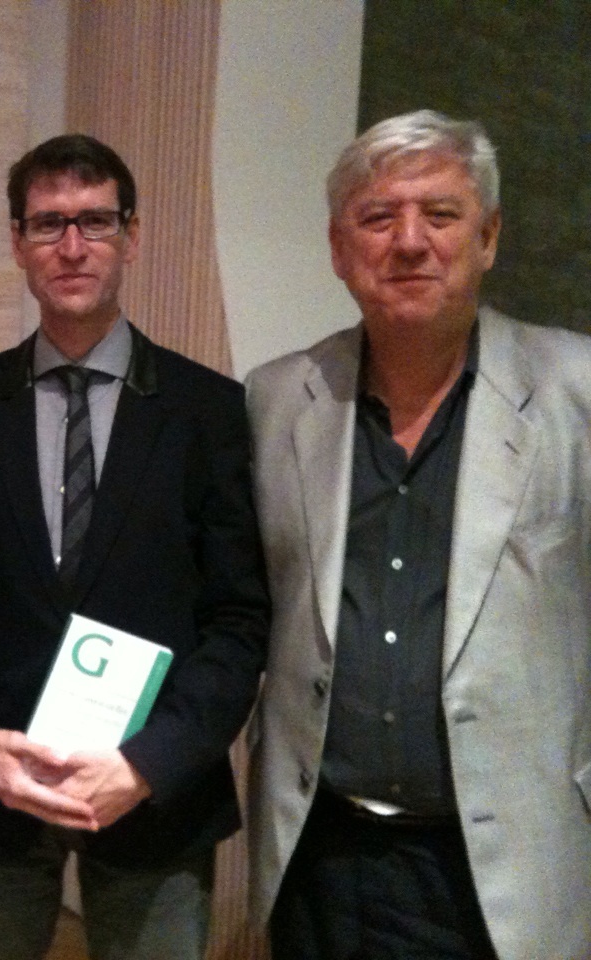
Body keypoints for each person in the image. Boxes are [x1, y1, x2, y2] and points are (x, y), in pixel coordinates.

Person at [0, 134, 270, 960]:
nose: (72, 247)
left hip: (154, 796)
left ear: (131, 236)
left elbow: (239, 619)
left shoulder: (208, 411)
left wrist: (148, 763)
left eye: (95, 221)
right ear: (17, 242)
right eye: (48, 224)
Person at [245, 109, 591, 960]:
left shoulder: (577, 393)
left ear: (489, 236)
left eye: (440, 214)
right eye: (378, 217)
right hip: (319, 852)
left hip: (502, 863)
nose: (408, 242)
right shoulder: (276, 399)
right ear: (339, 248)